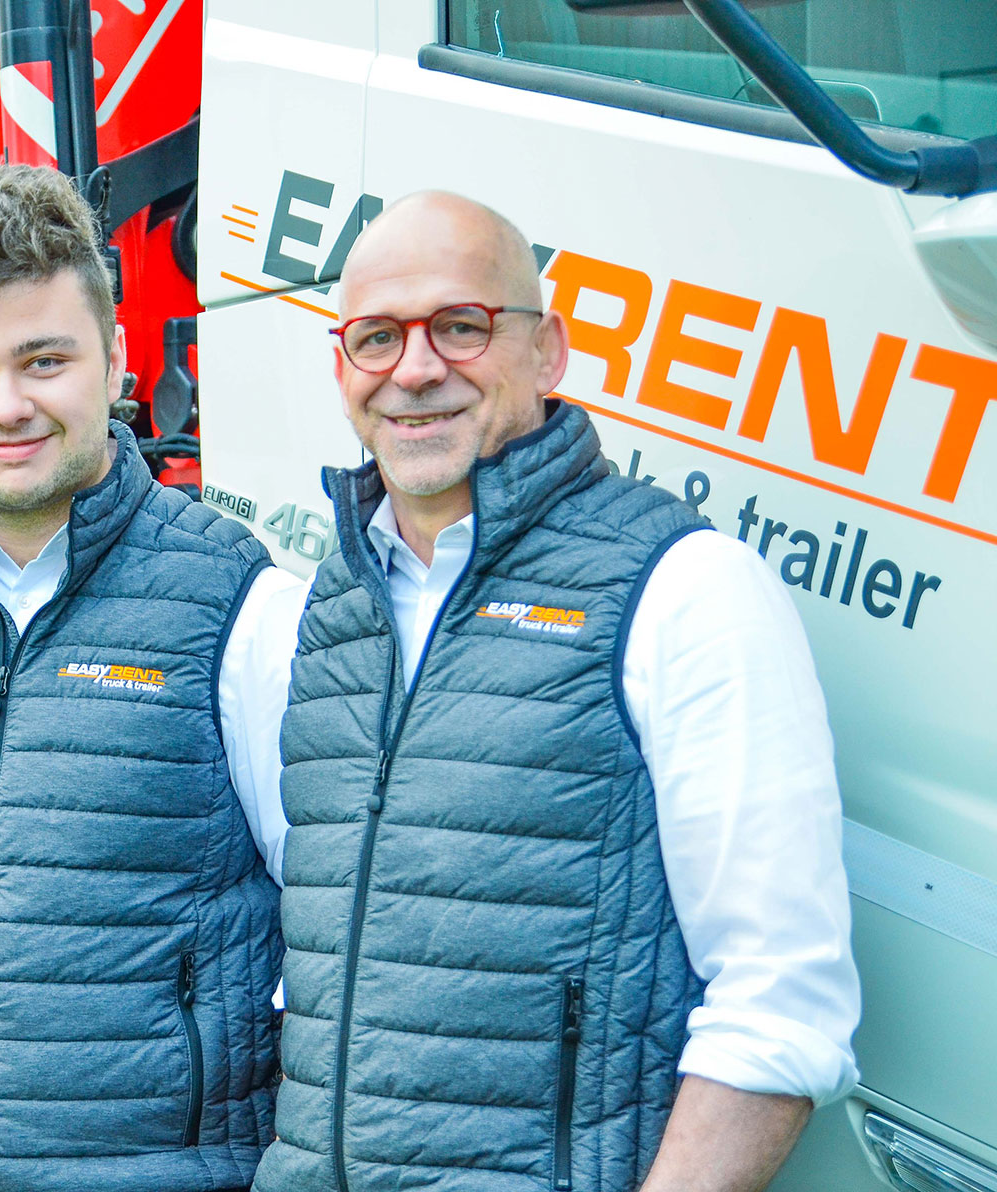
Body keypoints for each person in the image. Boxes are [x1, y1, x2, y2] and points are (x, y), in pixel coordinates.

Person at [255, 192, 860, 1192]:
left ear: (549, 353)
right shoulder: (332, 607)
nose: (414, 369)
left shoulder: (685, 588)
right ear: (342, 369)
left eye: (461, 326)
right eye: (376, 338)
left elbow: (784, 1003)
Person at [0, 164, 306, 1192]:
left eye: (44, 360)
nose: (7, 405)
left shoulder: (239, 602)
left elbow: (325, 921)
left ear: (115, 355)